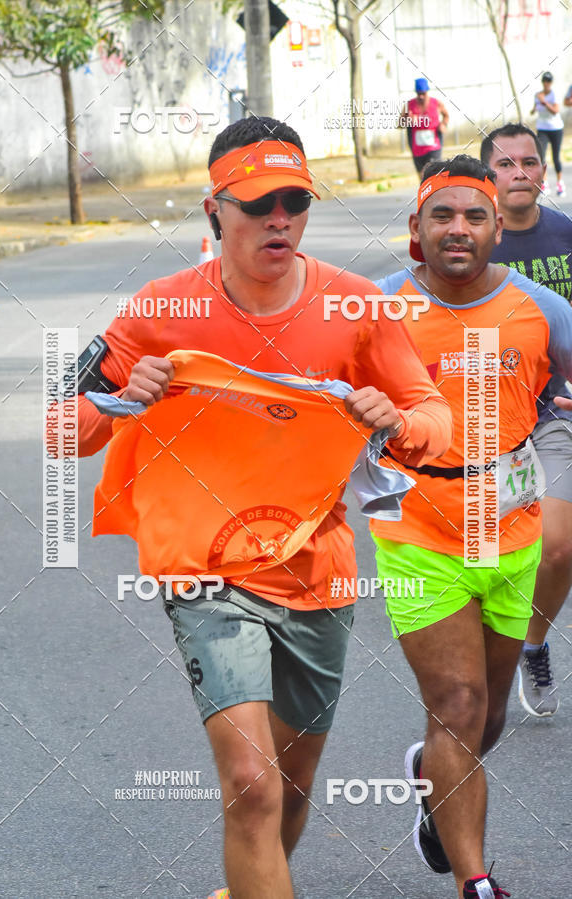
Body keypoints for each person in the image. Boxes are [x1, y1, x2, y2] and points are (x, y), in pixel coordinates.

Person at [72, 117, 452, 899]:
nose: (279, 217)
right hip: (203, 566)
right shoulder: (156, 309)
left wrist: (398, 421)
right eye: (258, 203)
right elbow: (58, 426)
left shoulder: (355, 308)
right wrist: (116, 399)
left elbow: (435, 419)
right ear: (215, 211)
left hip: (317, 565)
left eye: (294, 200)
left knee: (291, 780)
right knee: (251, 780)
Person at [369, 155, 572, 898]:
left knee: (480, 724)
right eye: (442, 216)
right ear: (416, 230)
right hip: (417, 533)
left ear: (494, 228)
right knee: (456, 706)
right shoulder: (376, 310)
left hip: (509, 533)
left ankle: (431, 776)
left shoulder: (543, 310)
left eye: (473, 215)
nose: (458, 228)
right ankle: (475, 881)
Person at [480, 122, 572, 716]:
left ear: (543, 172)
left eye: (529, 162)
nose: (521, 172)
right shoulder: (471, 241)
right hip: (488, 417)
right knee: (484, 552)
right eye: (507, 164)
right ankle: (484, 657)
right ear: (488, 179)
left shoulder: (566, 232)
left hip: (555, 411)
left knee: (559, 548)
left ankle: (532, 646)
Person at [398, 76, 449, 179]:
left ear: (427, 92)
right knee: (422, 176)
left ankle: (435, 192)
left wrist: (443, 124)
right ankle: (425, 193)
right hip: (417, 148)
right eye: (418, 94)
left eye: (423, 94)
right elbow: (399, 124)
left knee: (434, 172)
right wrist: (407, 119)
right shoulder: (409, 105)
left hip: (434, 146)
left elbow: (446, 116)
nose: (421, 96)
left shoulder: (437, 103)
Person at [530, 71, 565, 195]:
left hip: (556, 129)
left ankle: (560, 184)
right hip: (542, 128)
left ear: (551, 83)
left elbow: (555, 111)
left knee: (556, 158)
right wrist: (534, 109)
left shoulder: (554, 95)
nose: (547, 83)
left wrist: (544, 102)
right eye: (545, 81)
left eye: (549, 81)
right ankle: (544, 183)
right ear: (542, 82)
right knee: (542, 156)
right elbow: (533, 111)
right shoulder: (537, 95)